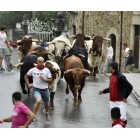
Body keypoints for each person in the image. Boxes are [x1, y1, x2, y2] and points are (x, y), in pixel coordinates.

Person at [24, 56, 53, 121]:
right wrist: (28, 84)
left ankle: (46, 112)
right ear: (37, 62)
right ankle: (33, 115)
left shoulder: (46, 70)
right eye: (39, 62)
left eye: (42, 62)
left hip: (45, 90)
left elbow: (51, 81)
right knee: (38, 101)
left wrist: (45, 79)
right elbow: (26, 77)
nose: (41, 63)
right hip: (36, 89)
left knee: (46, 105)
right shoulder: (33, 70)